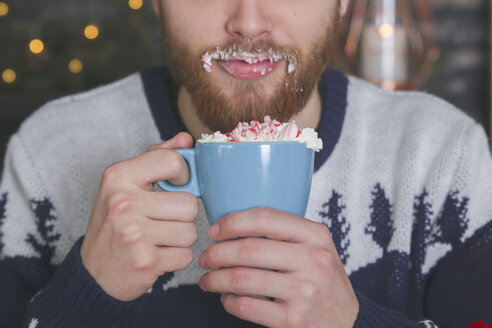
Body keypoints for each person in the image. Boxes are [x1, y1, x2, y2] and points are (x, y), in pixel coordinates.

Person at [0, 0, 491, 327]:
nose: (250, 23)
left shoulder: (442, 154)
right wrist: (86, 293)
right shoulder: (49, 151)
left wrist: (355, 321)